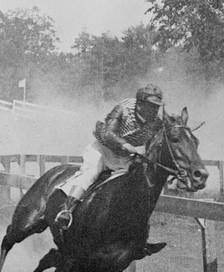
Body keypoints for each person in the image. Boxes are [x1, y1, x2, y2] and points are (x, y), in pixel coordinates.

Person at [53, 83, 166, 231]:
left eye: (157, 106)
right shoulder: (123, 109)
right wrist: (126, 145)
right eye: (151, 106)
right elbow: (108, 133)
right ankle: (67, 210)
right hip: (103, 149)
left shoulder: (156, 122)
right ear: (140, 104)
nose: (155, 110)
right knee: (91, 173)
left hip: (125, 158)